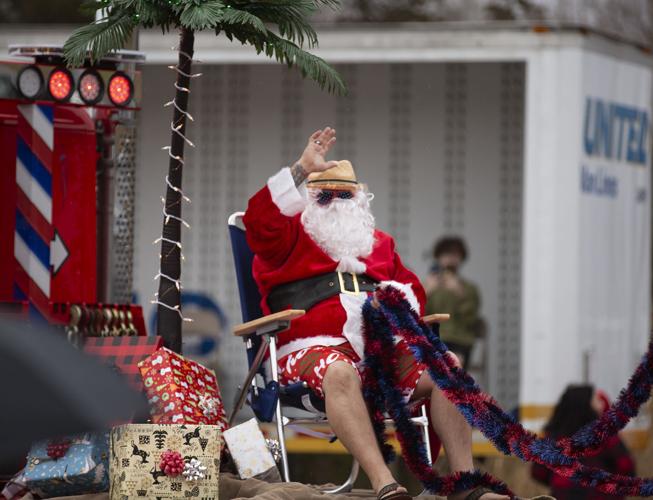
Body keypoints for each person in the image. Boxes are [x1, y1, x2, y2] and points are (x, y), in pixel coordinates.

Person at [243, 127, 509, 500]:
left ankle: (465, 485)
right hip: (312, 348)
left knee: (447, 363)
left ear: (359, 199)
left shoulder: (378, 243)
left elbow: (413, 290)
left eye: (345, 194)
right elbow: (257, 222)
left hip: (378, 353)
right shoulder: (289, 236)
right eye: (325, 195)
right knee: (338, 371)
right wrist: (302, 168)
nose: (337, 201)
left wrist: (396, 299)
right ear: (307, 197)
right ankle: (385, 483)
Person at [531, 384, 635, 500]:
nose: (601, 404)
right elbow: (626, 468)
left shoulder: (553, 439)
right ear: (586, 406)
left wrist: (561, 481)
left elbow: (538, 472)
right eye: (596, 400)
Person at [424, 237, 482, 370]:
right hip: (433, 339)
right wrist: (426, 292)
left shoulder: (469, 288)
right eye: (446, 254)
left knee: (453, 364)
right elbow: (416, 316)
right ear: (438, 257)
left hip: (459, 340)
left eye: (455, 254)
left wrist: (460, 294)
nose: (450, 258)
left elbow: (471, 319)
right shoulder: (428, 285)